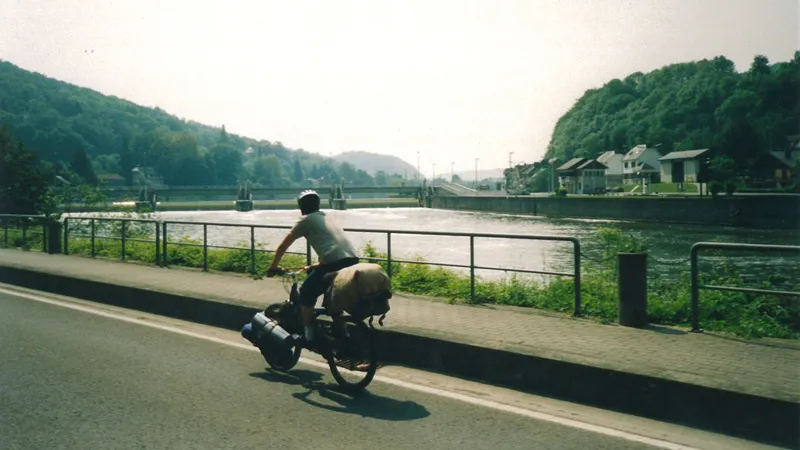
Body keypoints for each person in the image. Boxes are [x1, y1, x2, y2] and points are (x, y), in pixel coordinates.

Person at [267, 190, 359, 349]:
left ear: (301, 207)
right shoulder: (326, 217)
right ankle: (344, 336)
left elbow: (284, 245)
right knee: (332, 302)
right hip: (352, 260)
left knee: (306, 294)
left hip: (334, 264)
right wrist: (315, 266)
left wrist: (273, 266)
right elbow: (332, 246)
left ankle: (309, 337)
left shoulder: (306, 220)